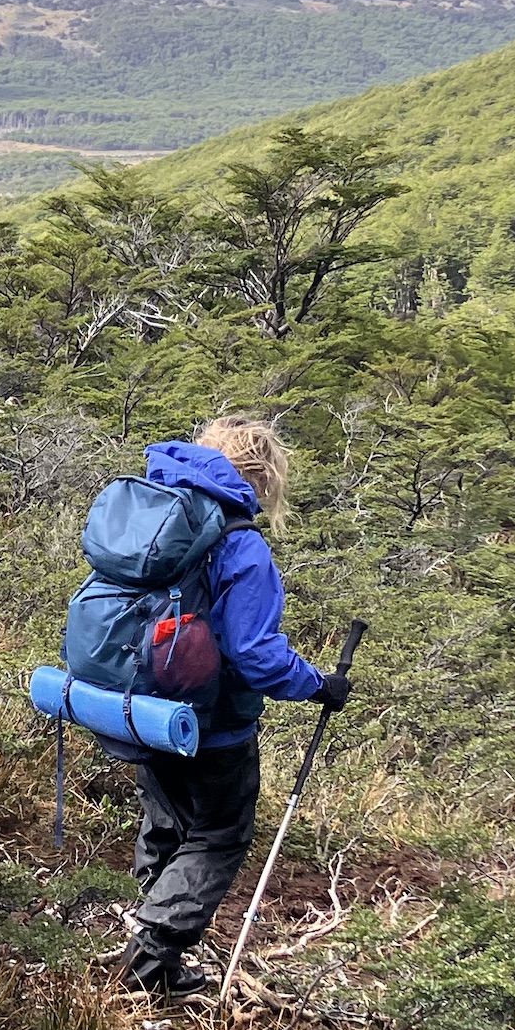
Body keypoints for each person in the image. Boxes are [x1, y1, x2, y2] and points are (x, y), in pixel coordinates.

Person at [117, 416, 351, 997]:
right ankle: (152, 959)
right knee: (219, 832)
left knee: (167, 820)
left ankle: (150, 921)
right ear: (261, 476)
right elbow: (256, 657)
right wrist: (318, 684)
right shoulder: (240, 544)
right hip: (212, 723)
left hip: (143, 705)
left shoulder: (152, 519)